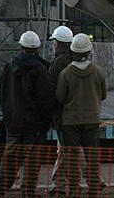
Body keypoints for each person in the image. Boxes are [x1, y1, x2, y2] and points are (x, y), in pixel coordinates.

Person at [0, 30, 55, 198]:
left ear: (20, 46)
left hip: (13, 120)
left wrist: (7, 113)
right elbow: (46, 97)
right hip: (33, 123)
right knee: (32, 158)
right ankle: (28, 191)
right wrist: (46, 121)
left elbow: (2, 93)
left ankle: (2, 186)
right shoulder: (40, 69)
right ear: (37, 48)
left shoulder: (9, 66)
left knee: (10, 155)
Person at [55, 33, 107, 197]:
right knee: (92, 156)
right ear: (89, 51)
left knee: (71, 156)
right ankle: (93, 187)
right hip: (92, 119)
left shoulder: (66, 73)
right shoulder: (98, 72)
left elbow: (60, 97)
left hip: (70, 121)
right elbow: (103, 95)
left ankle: (73, 189)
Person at [47, 25, 74, 195]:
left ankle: (59, 185)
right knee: (71, 150)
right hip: (78, 113)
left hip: (63, 114)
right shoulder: (77, 60)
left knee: (64, 151)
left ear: (57, 43)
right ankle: (66, 183)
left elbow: (53, 91)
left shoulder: (58, 63)